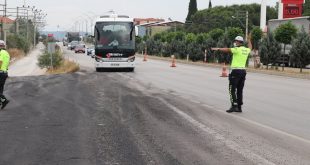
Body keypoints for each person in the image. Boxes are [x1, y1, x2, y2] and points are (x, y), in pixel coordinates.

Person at [211, 36, 252, 113]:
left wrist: (218, 49)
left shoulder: (237, 49)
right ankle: (239, 107)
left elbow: (227, 49)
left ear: (239, 42)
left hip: (236, 71)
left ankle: (234, 105)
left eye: (236, 41)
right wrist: (249, 40)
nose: (235, 42)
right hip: (243, 72)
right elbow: (250, 47)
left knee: (232, 89)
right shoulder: (246, 50)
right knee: (240, 90)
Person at [0, 40, 10, 109]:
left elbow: (0, 61)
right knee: (0, 90)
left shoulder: (1, 52)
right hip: (5, 73)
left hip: (0, 73)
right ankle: (2, 102)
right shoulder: (6, 53)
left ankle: (4, 101)